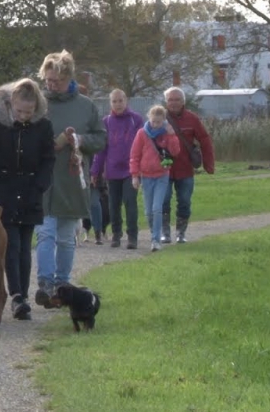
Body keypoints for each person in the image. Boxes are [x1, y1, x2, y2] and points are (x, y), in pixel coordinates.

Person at [0, 78, 56, 321]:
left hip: (30, 190)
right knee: (9, 244)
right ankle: (16, 295)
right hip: (2, 191)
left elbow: (48, 159)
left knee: (24, 245)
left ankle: (22, 293)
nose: (23, 116)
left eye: (28, 112)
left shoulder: (43, 127)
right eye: (19, 111)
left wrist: (40, 186)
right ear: (11, 104)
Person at [33, 50, 107, 309]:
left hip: (72, 179)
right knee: (44, 233)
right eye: (49, 80)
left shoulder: (86, 106)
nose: (52, 85)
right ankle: (44, 283)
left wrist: (80, 140)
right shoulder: (38, 103)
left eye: (57, 81)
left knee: (66, 237)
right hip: (43, 178)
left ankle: (61, 284)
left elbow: (101, 138)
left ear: (69, 78)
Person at [90, 89, 144, 248]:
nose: (118, 104)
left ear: (126, 101)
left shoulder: (136, 120)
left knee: (130, 202)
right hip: (112, 171)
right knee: (113, 205)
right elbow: (101, 150)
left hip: (131, 170)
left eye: (120, 101)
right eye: (114, 101)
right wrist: (95, 171)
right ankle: (116, 234)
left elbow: (143, 145)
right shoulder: (106, 122)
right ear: (110, 103)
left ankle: (132, 236)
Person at [161, 86, 215, 244]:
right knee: (163, 200)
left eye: (177, 99)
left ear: (183, 101)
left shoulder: (192, 119)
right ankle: (165, 233)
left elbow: (205, 140)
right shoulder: (159, 118)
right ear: (166, 101)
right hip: (164, 169)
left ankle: (180, 233)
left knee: (184, 201)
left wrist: (209, 164)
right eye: (171, 100)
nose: (174, 103)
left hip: (185, 169)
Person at [130, 105, 181, 252]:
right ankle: (154, 232)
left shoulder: (166, 134)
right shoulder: (141, 133)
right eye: (153, 121)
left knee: (157, 208)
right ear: (149, 119)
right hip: (146, 177)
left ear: (164, 121)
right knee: (148, 211)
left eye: (159, 122)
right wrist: (135, 175)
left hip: (162, 175)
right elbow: (134, 156)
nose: (156, 124)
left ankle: (156, 240)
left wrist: (172, 135)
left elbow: (175, 152)